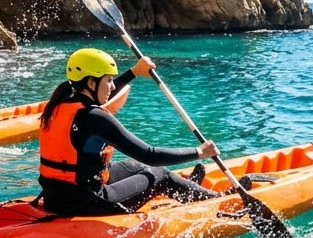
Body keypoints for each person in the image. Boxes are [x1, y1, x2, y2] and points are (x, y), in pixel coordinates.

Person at [36, 47, 222, 216]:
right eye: (108, 80)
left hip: (57, 196)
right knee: (160, 174)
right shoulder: (95, 118)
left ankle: (188, 188)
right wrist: (200, 152)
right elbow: (150, 155)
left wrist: (135, 71)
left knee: (135, 166)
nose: (112, 86)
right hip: (87, 202)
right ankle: (218, 200)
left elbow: (102, 93)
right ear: (91, 83)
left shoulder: (59, 104)